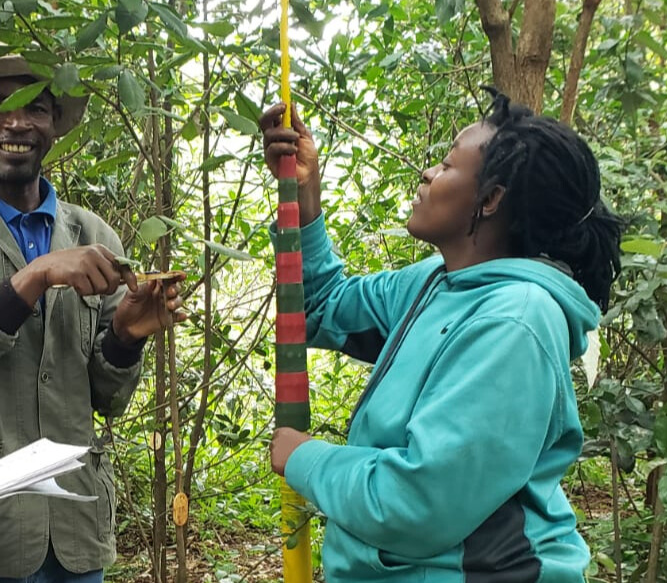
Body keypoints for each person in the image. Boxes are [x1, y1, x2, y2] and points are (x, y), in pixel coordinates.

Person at [262, 89, 622, 582]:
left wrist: (306, 458)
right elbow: (323, 309)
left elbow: (417, 504)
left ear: (492, 200)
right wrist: (305, 195)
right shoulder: (437, 282)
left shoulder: (514, 323)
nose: (428, 174)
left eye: (448, 166)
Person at [0, 49, 188, 582]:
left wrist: (126, 334)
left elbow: (106, 398)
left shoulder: (94, 236)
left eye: (35, 109)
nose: (16, 123)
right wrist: (32, 277)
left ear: (54, 128)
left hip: (75, 526)